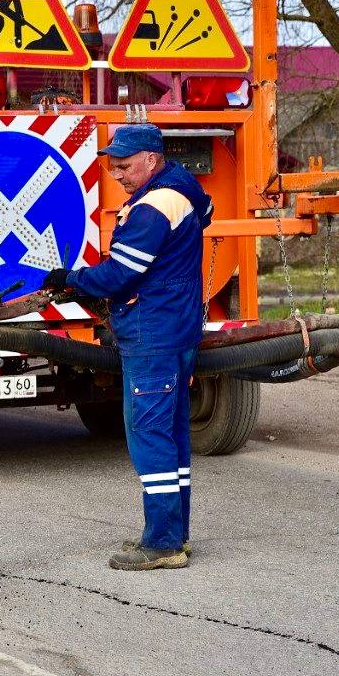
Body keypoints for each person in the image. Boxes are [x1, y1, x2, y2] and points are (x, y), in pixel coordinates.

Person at [42, 124, 213, 571]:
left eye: (124, 165)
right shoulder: (183, 189)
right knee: (172, 436)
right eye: (113, 166)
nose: (117, 174)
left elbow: (122, 274)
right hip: (176, 328)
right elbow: (205, 213)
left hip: (152, 331)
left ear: (151, 160)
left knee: (150, 436)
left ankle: (162, 544)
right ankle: (174, 533)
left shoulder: (153, 207)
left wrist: (72, 279)